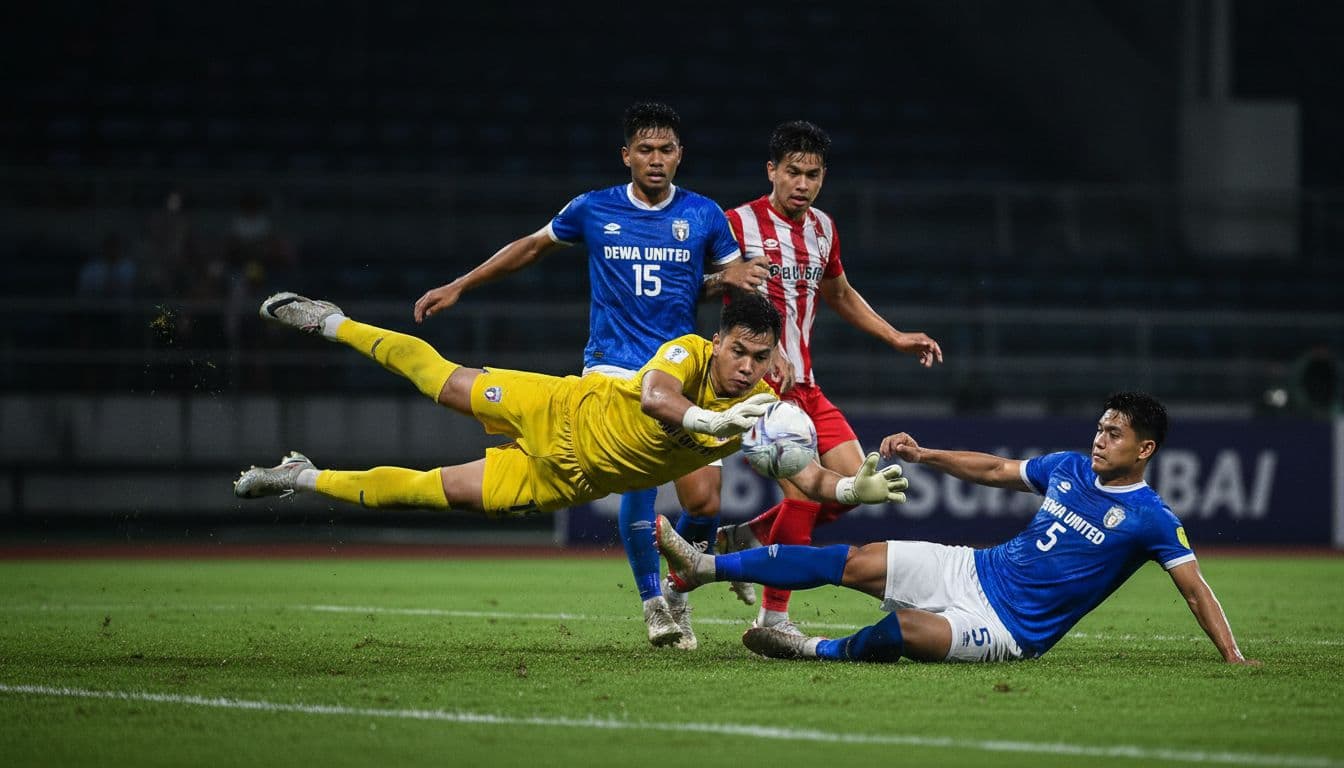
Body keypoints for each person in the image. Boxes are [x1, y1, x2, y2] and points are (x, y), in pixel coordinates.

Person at [411, 102, 769, 649]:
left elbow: (727, 300)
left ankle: (677, 591)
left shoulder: (704, 216)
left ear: (680, 156)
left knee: (704, 502)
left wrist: (729, 286)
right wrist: (462, 284)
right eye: (645, 150)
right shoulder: (593, 208)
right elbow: (530, 247)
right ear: (626, 155)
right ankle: (654, 603)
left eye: (666, 150)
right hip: (613, 368)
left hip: (677, 370)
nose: (656, 160)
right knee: (640, 481)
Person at [234, 290, 908, 551]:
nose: (746, 366)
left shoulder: (765, 410)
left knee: (429, 491)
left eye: (760, 358)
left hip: (567, 478)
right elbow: (658, 399)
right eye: (739, 350)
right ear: (721, 338)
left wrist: (854, 491)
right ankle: (333, 321)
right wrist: (710, 425)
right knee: (441, 380)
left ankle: (304, 475)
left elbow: (805, 479)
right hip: (557, 408)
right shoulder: (689, 353)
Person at [656, 392, 1259, 666]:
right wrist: (925, 456)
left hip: (1009, 628)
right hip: (975, 567)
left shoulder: (1153, 518)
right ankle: (702, 567)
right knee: (854, 559)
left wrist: (1231, 656)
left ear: (1145, 448)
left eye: (1114, 434)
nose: (1099, 440)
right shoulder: (1070, 468)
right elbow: (996, 469)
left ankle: (809, 648)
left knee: (905, 631)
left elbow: (1195, 589)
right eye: (1100, 428)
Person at [716, 120, 943, 635]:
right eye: (792, 172)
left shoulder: (823, 228)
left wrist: (895, 336)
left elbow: (838, 293)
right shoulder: (735, 224)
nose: (802, 183)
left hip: (808, 388)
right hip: (760, 390)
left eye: (812, 174)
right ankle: (773, 618)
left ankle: (747, 537)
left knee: (856, 486)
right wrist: (756, 341)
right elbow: (704, 288)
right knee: (802, 496)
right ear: (771, 171)